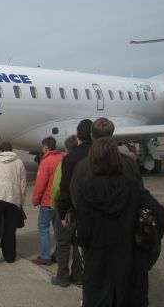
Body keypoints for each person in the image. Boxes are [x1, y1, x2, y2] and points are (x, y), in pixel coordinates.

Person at [77, 138, 144, 307]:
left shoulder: (86, 188)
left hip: (97, 261)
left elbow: (83, 234)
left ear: (93, 159)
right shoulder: (132, 185)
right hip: (127, 261)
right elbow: (159, 215)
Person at [52, 120, 92, 286]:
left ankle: (62, 276)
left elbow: (64, 188)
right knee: (79, 244)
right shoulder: (100, 154)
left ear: (78, 135)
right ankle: (78, 275)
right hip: (90, 209)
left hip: (71, 209)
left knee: (63, 243)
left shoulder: (70, 159)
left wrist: (61, 212)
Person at [31, 136, 62, 266]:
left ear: (45, 148)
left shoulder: (46, 161)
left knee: (43, 228)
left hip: (47, 201)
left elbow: (40, 184)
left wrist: (35, 200)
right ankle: (59, 254)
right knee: (57, 229)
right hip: (60, 201)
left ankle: (45, 256)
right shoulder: (62, 158)